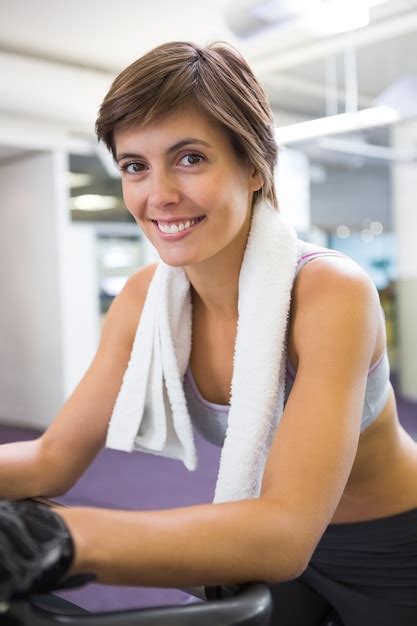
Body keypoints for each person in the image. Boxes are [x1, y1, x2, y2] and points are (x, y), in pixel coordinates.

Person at [1, 40, 417, 626]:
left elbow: (285, 533)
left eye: (190, 158)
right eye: (134, 166)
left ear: (253, 167)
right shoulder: (146, 299)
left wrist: (61, 537)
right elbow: (51, 458)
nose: (159, 194)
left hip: (390, 540)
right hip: (260, 524)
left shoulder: (329, 290)